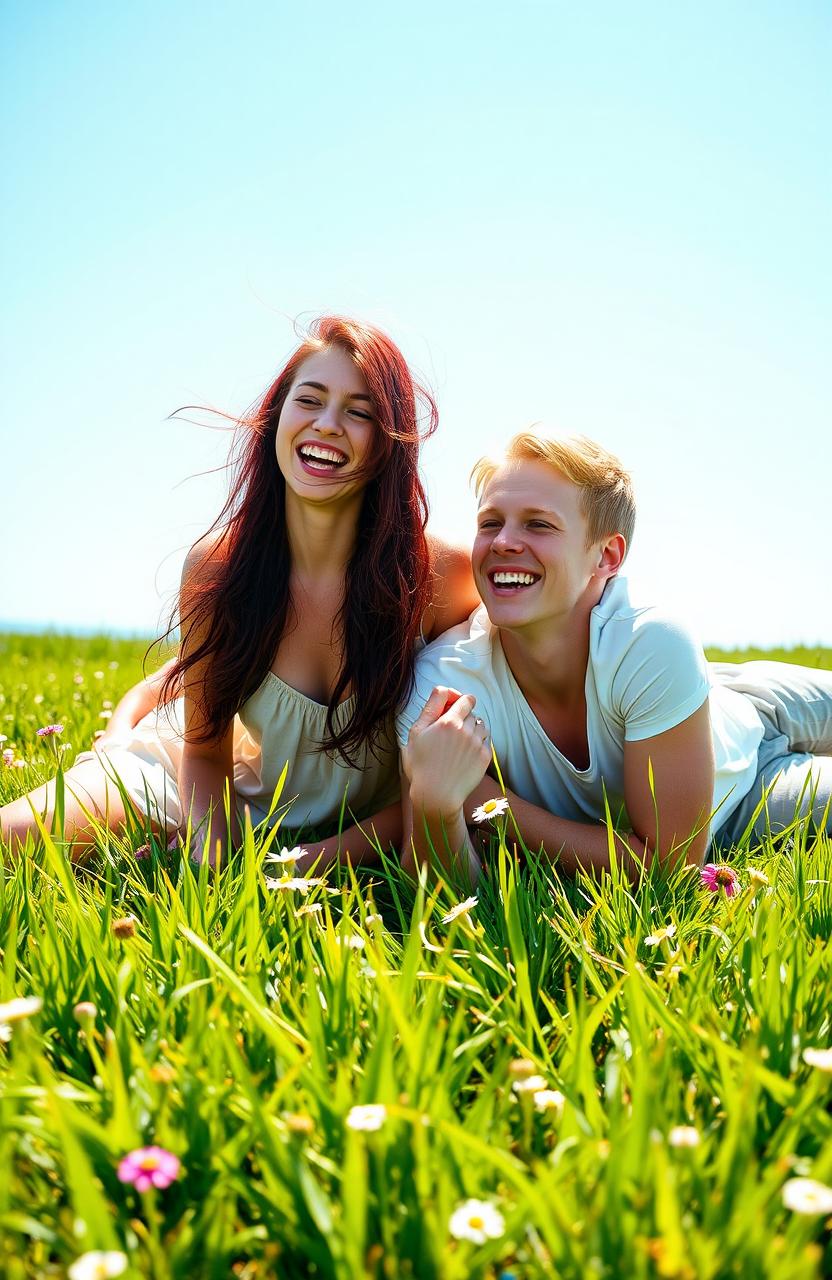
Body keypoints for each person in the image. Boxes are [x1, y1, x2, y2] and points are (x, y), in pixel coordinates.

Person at [2, 317, 479, 866]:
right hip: (206, 785)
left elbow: (449, 781)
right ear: (277, 418)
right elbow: (203, 753)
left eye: (359, 411)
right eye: (310, 400)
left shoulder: (441, 574)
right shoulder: (218, 567)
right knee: (13, 839)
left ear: (389, 441)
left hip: (355, 828)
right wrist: (216, 859)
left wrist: (304, 862)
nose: (327, 425)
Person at [398, 430, 832, 883]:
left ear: (606, 555)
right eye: (490, 523)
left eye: (538, 524)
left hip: (738, 702)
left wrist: (491, 807)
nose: (504, 541)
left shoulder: (654, 640)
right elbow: (672, 865)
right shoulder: (442, 686)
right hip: (747, 787)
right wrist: (436, 802)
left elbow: (663, 863)